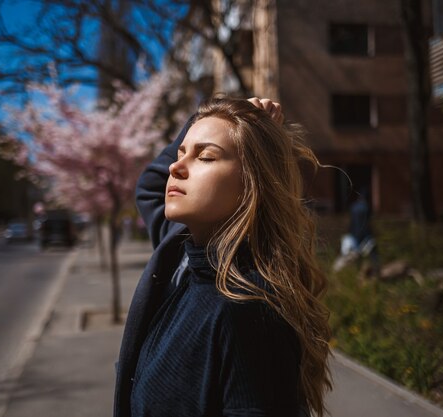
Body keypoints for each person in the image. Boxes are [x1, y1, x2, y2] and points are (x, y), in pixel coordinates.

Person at [113, 97, 331, 417]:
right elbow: (151, 185)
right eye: (180, 153)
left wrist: (223, 117)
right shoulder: (186, 270)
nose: (175, 167)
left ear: (251, 182)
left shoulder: (247, 309)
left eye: (206, 156)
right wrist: (212, 114)